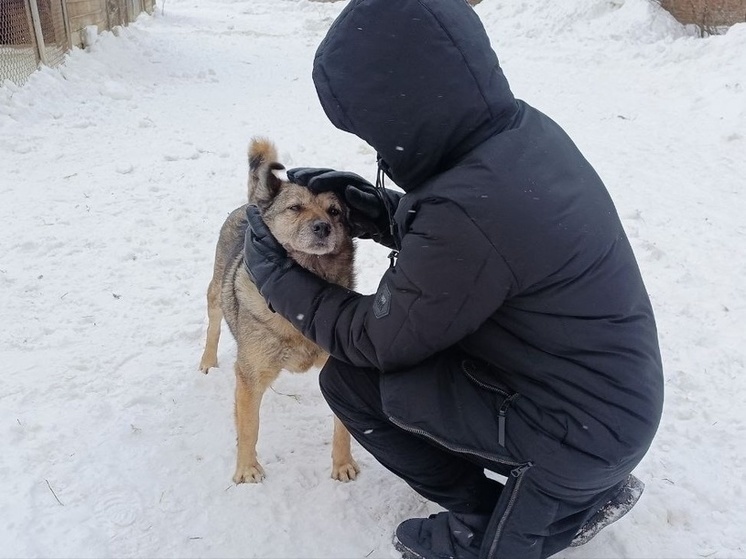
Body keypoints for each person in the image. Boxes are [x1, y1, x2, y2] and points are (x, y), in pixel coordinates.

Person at [242, 0, 664, 557]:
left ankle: (491, 520)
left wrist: (280, 281)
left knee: (353, 381)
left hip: (577, 431)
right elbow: (485, 245)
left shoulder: (468, 211)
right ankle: (568, 490)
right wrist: (383, 211)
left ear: (401, 109)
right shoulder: (518, 134)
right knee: (374, 371)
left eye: (374, 130)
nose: (377, 147)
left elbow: (378, 340)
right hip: (608, 400)